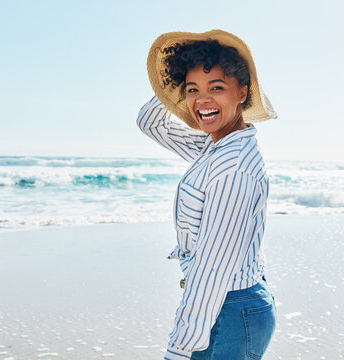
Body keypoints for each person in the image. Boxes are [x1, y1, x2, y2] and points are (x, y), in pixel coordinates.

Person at [136, 30, 278, 360]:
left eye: (217, 87)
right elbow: (149, 122)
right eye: (193, 90)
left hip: (230, 312)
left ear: (242, 92)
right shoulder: (213, 147)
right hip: (224, 308)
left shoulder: (234, 168)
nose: (202, 100)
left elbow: (211, 272)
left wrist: (179, 349)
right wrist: (176, 81)